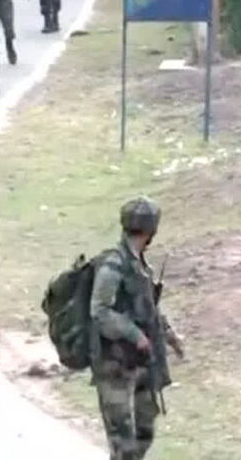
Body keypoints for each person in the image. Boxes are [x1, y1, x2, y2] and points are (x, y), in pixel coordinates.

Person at [90, 196, 183, 460]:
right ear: (150, 230)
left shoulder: (141, 267)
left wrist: (170, 337)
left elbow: (149, 311)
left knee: (145, 431)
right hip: (114, 366)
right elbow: (99, 310)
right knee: (123, 443)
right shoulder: (113, 266)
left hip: (140, 363)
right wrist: (134, 334)